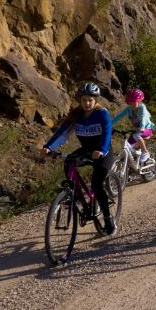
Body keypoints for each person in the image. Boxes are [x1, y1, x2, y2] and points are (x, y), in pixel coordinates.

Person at [42, 82, 117, 235]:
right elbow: (63, 133)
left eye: (90, 100)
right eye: (84, 100)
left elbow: (107, 133)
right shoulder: (76, 115)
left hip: (104, 152)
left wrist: (101, 150)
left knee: (96, 185)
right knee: (69, 161)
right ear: (80, 101)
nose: (87, 103)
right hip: (87, 150)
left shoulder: (102, 113)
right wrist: (49, 147)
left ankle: (109, 220)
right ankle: (73, 193)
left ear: (95, 100)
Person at [111, 88, 154, 172]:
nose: (132, 104)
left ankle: (145, 152)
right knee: (129, 146)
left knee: (136, 135)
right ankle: (131, 167)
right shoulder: (129, 109)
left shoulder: (142, 108)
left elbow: (143, 118)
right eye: (130, 102)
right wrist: (109, 124)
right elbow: (119, 117)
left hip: (146, 129)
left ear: (139, 101)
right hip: (136, 130)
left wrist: (142, 127)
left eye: (134, 102)